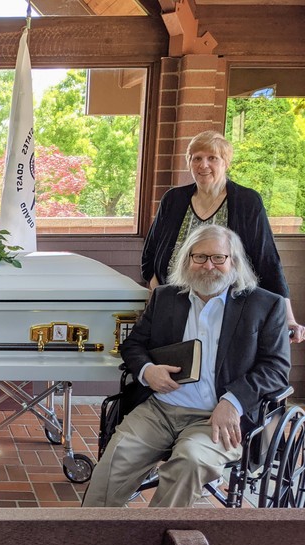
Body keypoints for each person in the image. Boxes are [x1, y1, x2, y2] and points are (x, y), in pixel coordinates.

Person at [83, 224, 290, 507]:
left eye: (219, 258)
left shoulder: (265, 306)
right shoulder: (167, 297)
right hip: (160, 409)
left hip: (217, 418)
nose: (209, 266)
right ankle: (88, 538)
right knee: (117, 457)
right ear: (187, 260)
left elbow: (276, 367)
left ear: (234, 262)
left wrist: (233, 402)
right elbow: (133, 345)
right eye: (200, 257)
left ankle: (157, 542)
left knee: (189, 461)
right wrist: (147, 371)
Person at [141, 130, 304, 343]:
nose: (203, 165)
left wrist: (288, 318)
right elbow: (150, 256)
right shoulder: (173, 199)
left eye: (212, 158)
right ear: (189, 162)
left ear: (226, 162)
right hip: (176, 309)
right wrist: (160, 297)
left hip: (231, 312)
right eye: (196, 158)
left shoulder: (247, 202)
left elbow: (268, 262)